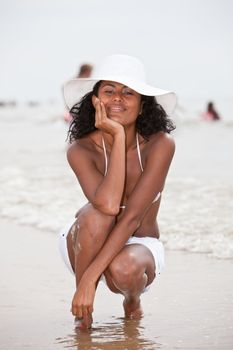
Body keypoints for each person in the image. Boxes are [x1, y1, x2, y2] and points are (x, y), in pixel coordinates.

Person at [59, 54, 177, 329]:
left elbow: (132, 217)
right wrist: (118, 135)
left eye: (128, 93)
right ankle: (83, 316)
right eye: (109, 91)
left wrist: (120, 135)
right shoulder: (80, 150)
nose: (117, 99)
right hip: (86, 241)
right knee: (97, 213)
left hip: (138, 244)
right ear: (95, 100)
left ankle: (132, 301)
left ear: (142, 104)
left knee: (123, 270)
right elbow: (109, 206)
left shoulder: (160, 145)